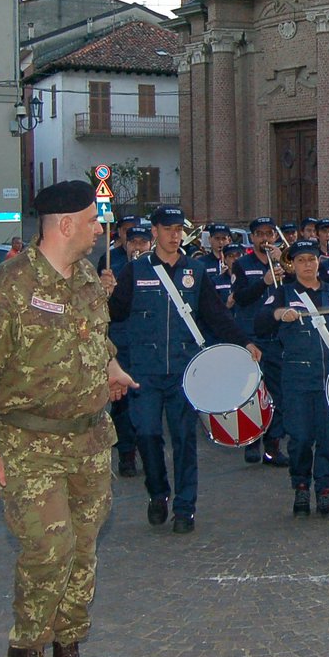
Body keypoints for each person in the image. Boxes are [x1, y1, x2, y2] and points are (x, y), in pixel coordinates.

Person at [0, 179, 139, 657]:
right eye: (91, 221)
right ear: (65, 225)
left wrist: (113, 370)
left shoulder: (86, 277)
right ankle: (27, 650)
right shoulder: (7, 287)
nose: (98, 229)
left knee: (83, 549)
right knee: (49, 546)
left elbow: (95, 340)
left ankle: (69, 648)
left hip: (88, 440)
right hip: (27, 444)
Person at [108, 206, 260, 533]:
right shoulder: (135, 272)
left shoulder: (196, 271)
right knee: (147, 435)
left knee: (184, 440)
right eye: (168, 229)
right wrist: (103, 294)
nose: (174, 235)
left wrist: (244, 342)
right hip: (144, 372)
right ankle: (159, 492)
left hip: (185, 371)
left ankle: (184, 506)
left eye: (179, 229)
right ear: (155, 233)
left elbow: (216, 316)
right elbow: (115, 313)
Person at [254, 240, 329, 518]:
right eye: (301, 260)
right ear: (293, 265)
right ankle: (301, 485)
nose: (307, 265)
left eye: (311, 260)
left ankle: (325, 491)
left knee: (328, 436)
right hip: (297, 376)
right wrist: (278, 314)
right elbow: (260, 323)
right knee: (301, 437)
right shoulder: (283, 293)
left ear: (318, 262)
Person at [231, 217, 290, 467]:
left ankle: (273, 445)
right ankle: (252, 441)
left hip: (277, 336)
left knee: (277, 393)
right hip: (252, 335)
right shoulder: (242, 265)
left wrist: (283, 267)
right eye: (260, 234)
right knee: (253, 392)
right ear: (252, 237)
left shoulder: (285, 262)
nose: (265, 238)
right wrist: (263, 282)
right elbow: (241, 298)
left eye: (269, 233)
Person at [104, 224, 153, 478]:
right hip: (122, 342)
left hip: (146, 344)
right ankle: (126, 455)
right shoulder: (114, 263)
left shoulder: (156, 267)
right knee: (122, 405)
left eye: (142, 243)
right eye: (133, 242)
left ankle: (146, 453)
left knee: (146, 405)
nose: (137, 247)